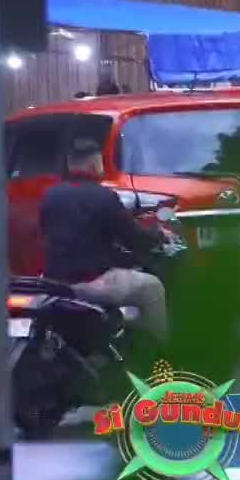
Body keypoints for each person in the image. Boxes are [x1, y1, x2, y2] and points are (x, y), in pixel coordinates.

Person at [39, 138, 168, 340]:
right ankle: (158, 352)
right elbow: (135, 239)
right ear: (94, 165)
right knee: (153, 287)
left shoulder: (50, 195)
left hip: (55, 282)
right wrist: (159, 235)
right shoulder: (104, 196)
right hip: (92, 283)